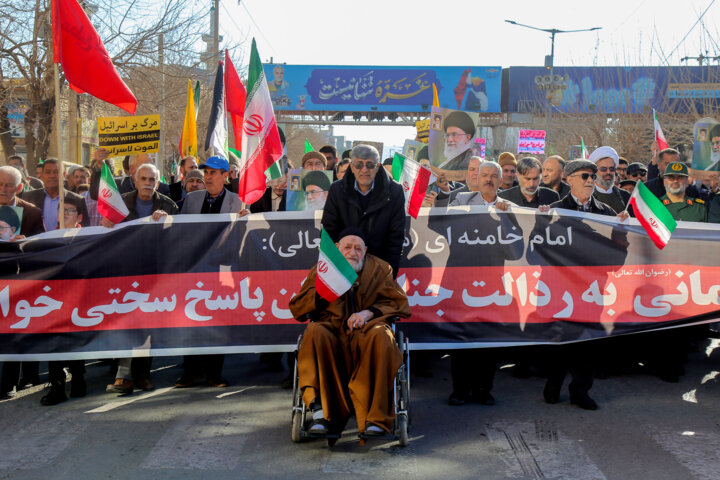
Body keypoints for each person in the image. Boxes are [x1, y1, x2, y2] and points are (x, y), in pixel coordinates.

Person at [289, 228, 411, 436]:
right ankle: (321, 414)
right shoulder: (322, 270)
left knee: (382, 336)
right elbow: (298, 307)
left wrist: (368, 313)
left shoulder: (381, 269)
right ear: (337, 249)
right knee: (315, 331)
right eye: (347, 247)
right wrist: (320, 297)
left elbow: (397, 303)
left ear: (365, 250)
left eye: (358, 248)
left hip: (367, 328)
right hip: (332, 329)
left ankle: (376, 418)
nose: (353, 252)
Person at [539, 159, 629, 411]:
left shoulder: (607, 214)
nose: (591, 180)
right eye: (585, 176)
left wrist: (620, 232)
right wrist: (541, 223)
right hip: (561, 290)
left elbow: (616, 262)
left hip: (592, 291)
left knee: (589, 342)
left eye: (593, 176)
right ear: (568, 179)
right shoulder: (553, 211)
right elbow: (534, 252)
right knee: (561, 340)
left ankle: (580, 390)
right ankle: (554, 382)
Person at [101, 163, 178, 394]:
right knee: (125, 322)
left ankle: (142, 375)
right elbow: (105, 234)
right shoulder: (119, 203)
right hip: (124, 272)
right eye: (143, 179)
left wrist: (169, 222)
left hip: (154, 273)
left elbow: (180, 238)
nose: (147, 183)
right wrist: (106, 226)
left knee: (147, 325)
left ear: (157, 182)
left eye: (152, 179)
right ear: (135, 181)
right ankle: (122, 376)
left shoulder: (168, 205)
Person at [175, 156, 248, 388]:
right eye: (206, 172)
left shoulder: (238, 203)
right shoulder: (192, 199)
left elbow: (245, 239)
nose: (207, 177)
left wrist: (248, 221)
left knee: (217, 320)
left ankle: (214, 373)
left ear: (225, 176)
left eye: (214, 173)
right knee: (191, 319)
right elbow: (180, 231)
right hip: (195, 268)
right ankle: (190, 372)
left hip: (222, 270)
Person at [321, 144, 405, 278]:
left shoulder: (395, 192)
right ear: (352, 167)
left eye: (370, 165)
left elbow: (396, 239)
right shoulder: (337, 190)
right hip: (344, 266)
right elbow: (328, 234)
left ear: (377, 167)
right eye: (359, 164)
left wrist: (389, 276)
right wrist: (332, 273)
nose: (364, 170)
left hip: (378, 268)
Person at [0, 166, 44, 399]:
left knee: (15, 329)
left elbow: (42, 245)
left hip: (18, 279)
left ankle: (9, 383)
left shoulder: (32, 212)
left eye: (8, 185)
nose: (2, 189)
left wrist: (27, 242)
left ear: (19, 188)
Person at [20, 158, 90, 229]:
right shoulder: (28, 197)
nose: (52, 176)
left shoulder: (77, 200)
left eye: (56, 172)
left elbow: (85, 229)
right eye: (48, 172)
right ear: (42, 175)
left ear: (64, 175)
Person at [450, 160, 515, 209]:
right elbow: (443, 217)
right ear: (478, 179)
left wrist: (506, 214)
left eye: (494, 176)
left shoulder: (509, 207)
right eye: (484, 175)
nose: (489, 179)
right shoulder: (462, 200)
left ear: (500, 182)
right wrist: (444, 193)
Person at [588, 146, 630, 214]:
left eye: (611, 169)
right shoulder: (587, 196)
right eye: (603, 169)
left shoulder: (625, 196)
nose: (608, 172)